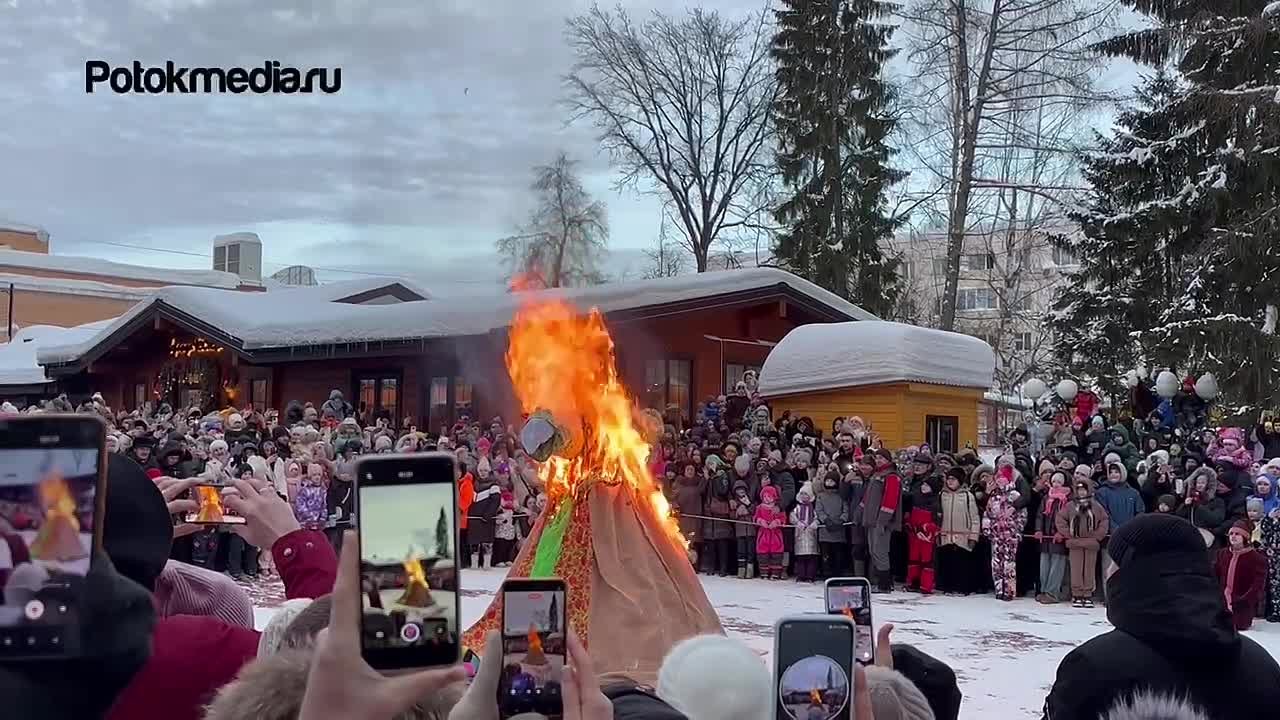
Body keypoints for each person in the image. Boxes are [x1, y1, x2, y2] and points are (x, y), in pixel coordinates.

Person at [1043, 513, 1280, 719]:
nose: (1107, 571)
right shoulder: (1262, 666)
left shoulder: (1090, 667)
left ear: (1130, 574)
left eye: (1114, 562)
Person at [1056, 480, 1108, 609]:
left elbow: (1104, 520)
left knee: (1089, 569)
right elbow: (1060, 519)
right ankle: (1077, 593)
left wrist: (1097, 536)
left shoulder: (1096, 506)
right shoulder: (1070, 506)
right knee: (1076, 569)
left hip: (1090, 542)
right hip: (1075, 542)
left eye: (1084, 490)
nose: (1082, 492)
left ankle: (1087, 593)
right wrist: (1068, 534)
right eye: (1079, 490)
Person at [1215, 520, 1266, 630]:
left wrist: (1245, 600)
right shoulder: (1222, 553)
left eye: (1237, 534)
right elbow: (1215, 575)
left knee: (1238, 626)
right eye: (1231, 534)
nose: (1233, 537)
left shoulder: (1256, 558)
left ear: (1245, 537)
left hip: (1242, 602)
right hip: (1222, 599)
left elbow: (1258, 584)